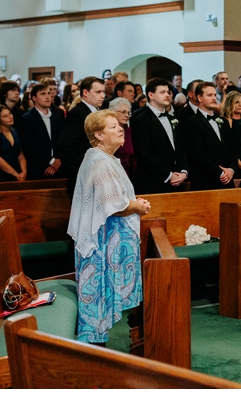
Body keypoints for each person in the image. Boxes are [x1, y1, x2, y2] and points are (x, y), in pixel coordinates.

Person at [68, 110, 151, 345]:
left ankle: (97, 345)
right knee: (97, 298)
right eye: (113, 126)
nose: (120, 129)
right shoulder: (100, 161)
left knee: (100, 300)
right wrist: (137, 205)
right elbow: (113, 204)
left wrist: (133, 204)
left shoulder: (101, 157)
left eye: (119, 125)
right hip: (101, 242)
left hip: (105, 238)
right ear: (98, 135)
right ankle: (95, 350)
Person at [130, 78, 189, 194]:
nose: (167, 95)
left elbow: (181, 149)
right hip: (153, 183)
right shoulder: (140, 119)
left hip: (177, 182)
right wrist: (168, 175)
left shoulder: (173, 119)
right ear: (151, 95)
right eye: (162, 92)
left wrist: (184, 172)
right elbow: (144, 154)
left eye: (168, 92)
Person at [59, 76, 107, 198]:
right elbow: (65, 145)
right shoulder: (78, 113)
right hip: (83, 177)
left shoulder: (97, 112)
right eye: (98, 92)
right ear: (85, 92)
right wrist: (83, 169)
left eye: (103, 92)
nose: (103, 96)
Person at [185, 81, 237, 190]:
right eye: (209, 95)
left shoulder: (224, 121)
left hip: (227, 181)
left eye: (215, 95)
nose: (214, 98)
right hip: (205, 181)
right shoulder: (191, 123)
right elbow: (198, 154)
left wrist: (231, 170)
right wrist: (220, 173)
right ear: (199, 97)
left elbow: (232, 149)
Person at [18, 81, 64, 180]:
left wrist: (57, 161)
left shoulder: (57, 118)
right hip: (37, 168)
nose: (48, 97)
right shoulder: (26, 119)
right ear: (34, 98)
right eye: (43, 94)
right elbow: (29, 146)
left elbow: (61, 142)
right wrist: (50, 161)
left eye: (48, 93)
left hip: (57, 167)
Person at [0, 105, 27, 183]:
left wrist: (24, 172)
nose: (10, 117)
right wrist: (15, 174)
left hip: (17, 173)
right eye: (5, 116)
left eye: (10, 113)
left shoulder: (15, 132)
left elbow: (20, 155)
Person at [220, 89, 241, 178]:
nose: (240, 105)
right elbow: (229, 147)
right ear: (230, 103)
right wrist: (240, 164)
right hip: (233, 162)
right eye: (236, 102)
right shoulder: (225, 122)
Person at [108, 97, 136, 177]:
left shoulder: (130, 132)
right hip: (111, 175)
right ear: (112, 112)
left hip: (129, 176)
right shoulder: (106, 132)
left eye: (128, 113)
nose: (127, 115)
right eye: (123, 112)